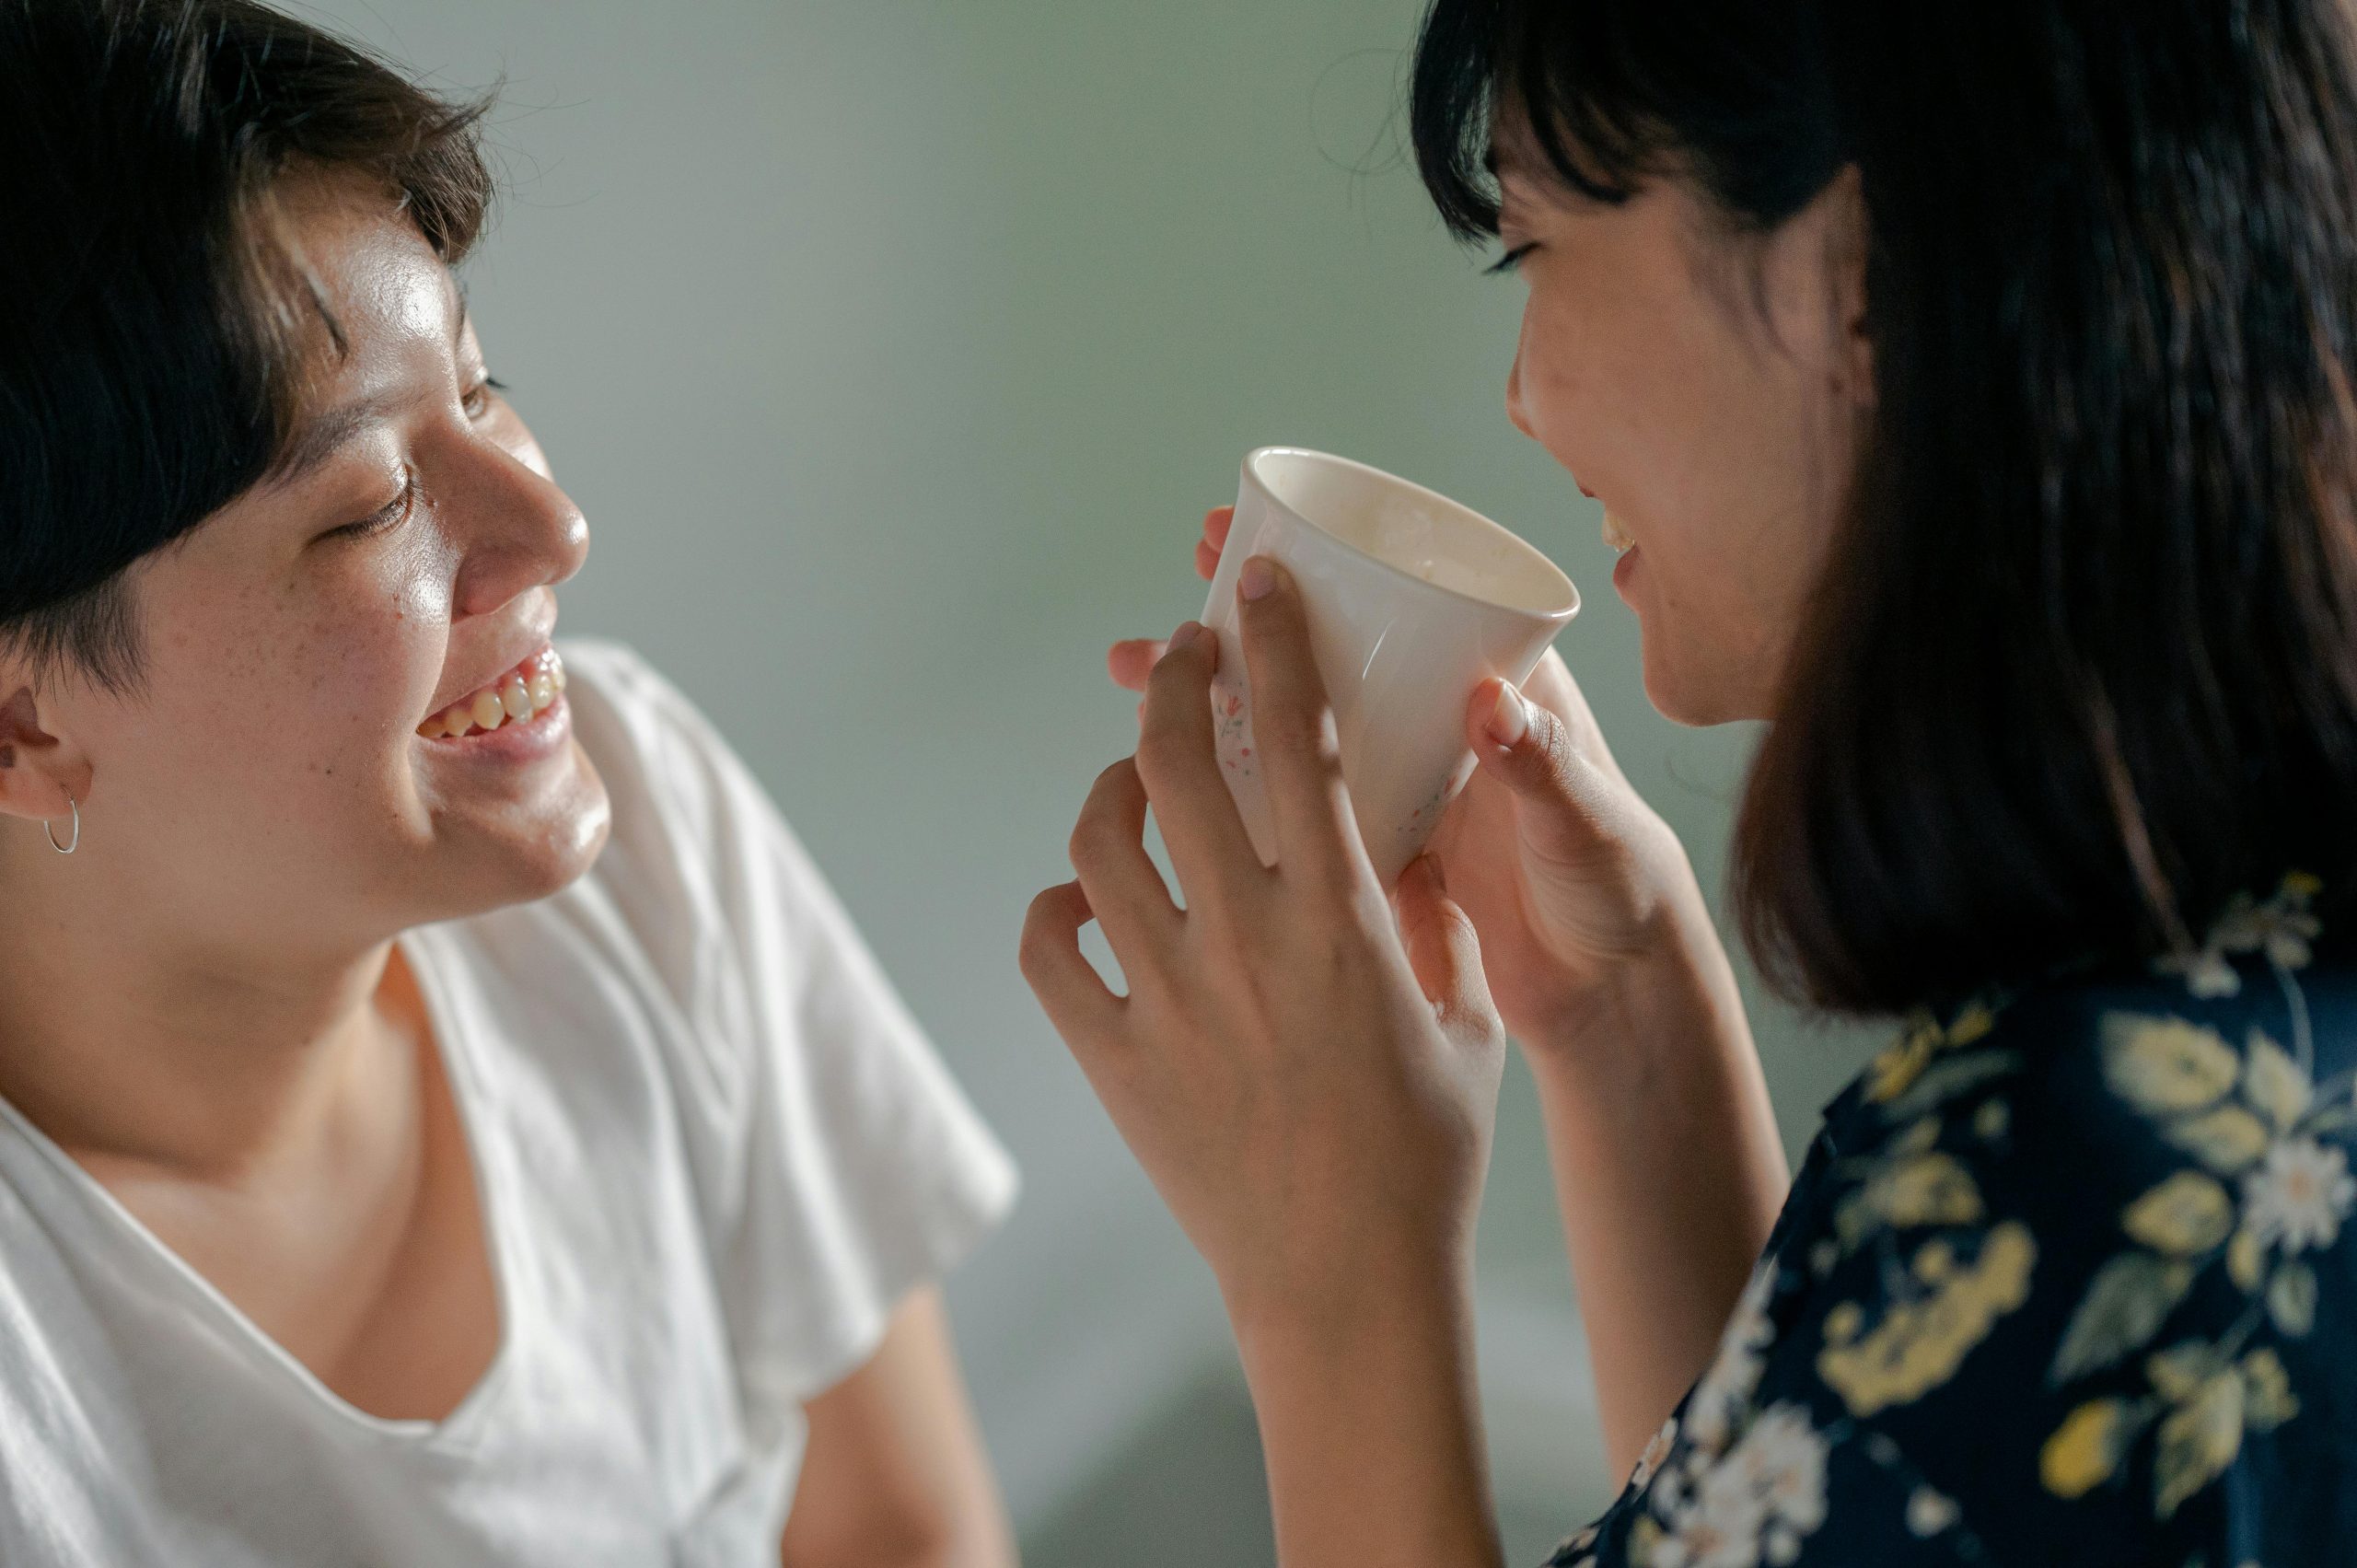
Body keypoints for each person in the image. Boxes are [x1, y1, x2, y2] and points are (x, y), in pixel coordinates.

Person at [1021, 1, 2357, 1563]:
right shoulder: (2210, 1025)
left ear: (1853, 281)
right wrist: (1621, 1008)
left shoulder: (2081, 1188)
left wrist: (1329, 1269)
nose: (1522, 395)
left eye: (1532, 251)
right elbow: (1794, 1504)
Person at [0, 3, 1017, 1562]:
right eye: (369, 504)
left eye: (480, 390)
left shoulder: (647, 820)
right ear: (22, 725)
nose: (551, 526)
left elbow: (900, 1527)